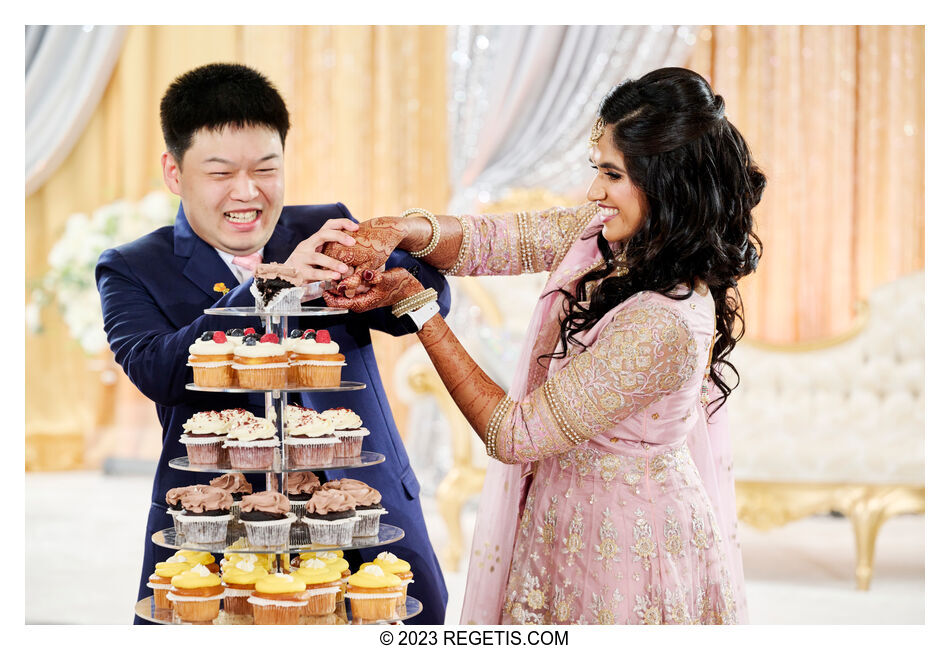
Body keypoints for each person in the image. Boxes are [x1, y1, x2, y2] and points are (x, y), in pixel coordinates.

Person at [323, 67, 764, 624]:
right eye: (595, 169)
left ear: (667, 183)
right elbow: (500, 240)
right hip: (559, 517)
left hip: (628, 548)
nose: (594, 191)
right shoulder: (620, 237)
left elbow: (515, 432)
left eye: (612, 174)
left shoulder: (663, 323)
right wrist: (401, 230)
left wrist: (418, 307)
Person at [95, 63, 450, 624]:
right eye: (220, 173)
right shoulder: (134, 266)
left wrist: (386, 277)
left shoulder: (327, 226)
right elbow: (153, 370)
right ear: (173, 172)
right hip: (218, 526)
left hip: (363, 510)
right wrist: (265, 287)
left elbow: (425, 309)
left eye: (266, 168)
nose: (247, 192)